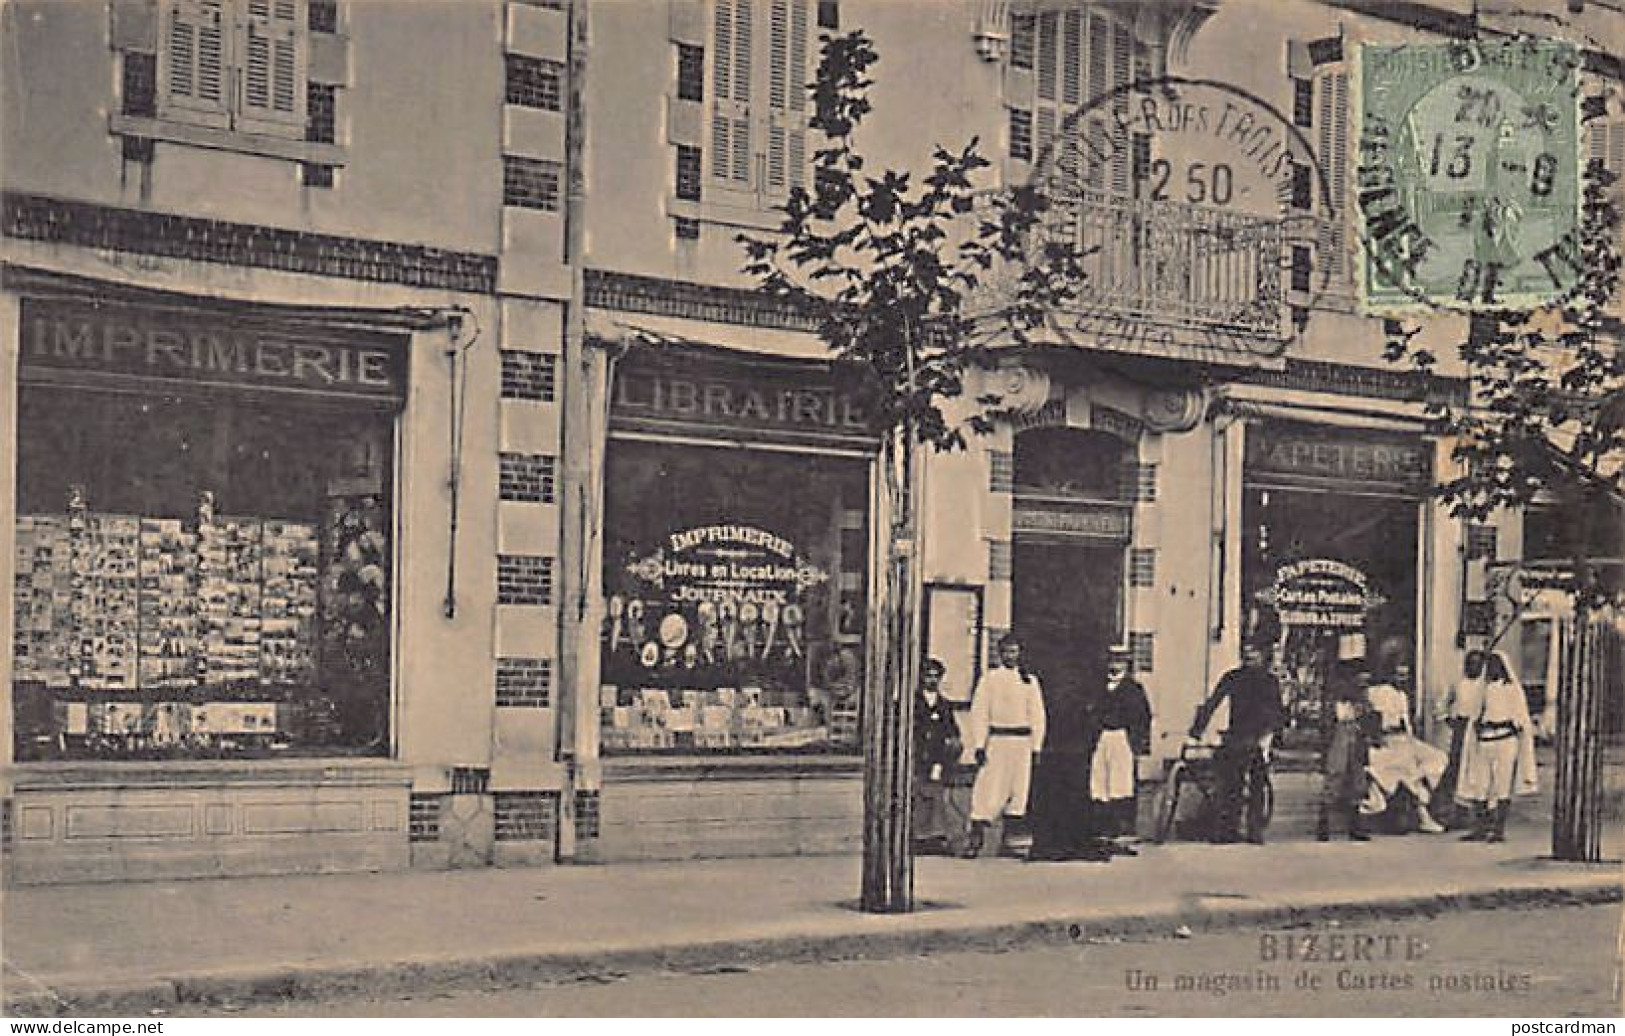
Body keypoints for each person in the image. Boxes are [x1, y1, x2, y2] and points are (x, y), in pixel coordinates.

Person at [1188, 642, 1284, 844]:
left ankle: (1252, 830)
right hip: (1238, 735)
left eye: (1254, 655)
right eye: (1247, 656)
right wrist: (1196, 731)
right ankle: (1232, 829)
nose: (1250, 660)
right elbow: (1213, 702)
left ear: (1262, 657)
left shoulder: (1268, 681)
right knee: (1233, 783)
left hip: (1259, 736)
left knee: (1253, 784)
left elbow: (1277, 711)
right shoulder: (1235, 677)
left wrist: (1272, 736)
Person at [963, 633, 1047, 859]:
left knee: (1018, 790)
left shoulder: (1029, 680)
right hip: (998, 741)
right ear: (1000, 654)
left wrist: (1036, 746)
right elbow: (979, 712)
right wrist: (979, 744)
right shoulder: (989, 679)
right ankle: (976, 837)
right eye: (1007, 651)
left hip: (1021, 743)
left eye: (1015, 651)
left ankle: (1010, 842)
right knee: (989, 788)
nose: (1011, 655)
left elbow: (1037, 715)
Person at [1457, 650, 1539, 843]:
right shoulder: (1482, 689)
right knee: (1480, 784)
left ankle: (1498, 829)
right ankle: (1480, 827)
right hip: (1484, 742)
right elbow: (1474, 715)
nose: (1492, 669)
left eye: (1495, 665)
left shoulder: (1511, 690)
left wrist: (1506, 724)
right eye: (1489, 665)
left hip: (1505, 741)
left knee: (1502, 785)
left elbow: (1520, 719)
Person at [1364, 662, 1449, 833]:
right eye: (1399, 674)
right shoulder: (1378, 692)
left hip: (1405, 740)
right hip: (1386, 742)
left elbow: (1406, 723)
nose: (1402, 678)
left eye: (1405, 675)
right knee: (1403, 769)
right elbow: (1374, 720)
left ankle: (1425, 808)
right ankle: (1421, 815)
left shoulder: (1402, 695)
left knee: (1437, 758)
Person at [1091, 646, 1152, 856]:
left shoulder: (1133, 689)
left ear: (1126, 664)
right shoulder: (1098, 687)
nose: (1114, 665)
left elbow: (1144, 717)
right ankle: (1101, 833)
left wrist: (1138, 744)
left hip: (1122, 738)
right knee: (1099, 783)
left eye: (1119, 661)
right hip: (1101, 738)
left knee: (1120, 783)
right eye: (1111, 660)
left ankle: (1118, 833)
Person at [1317, 660, 1376, 841]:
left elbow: (1369, 719)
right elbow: (1332, 721)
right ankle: (1324, 824)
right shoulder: (1339, 698)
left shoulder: (1364, 698)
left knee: (1357, 780)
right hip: (1340, 736)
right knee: (1336, 775)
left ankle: (1355, 826)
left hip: (1356, 737)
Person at [912, 658, 961, 855]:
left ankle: (935, 836)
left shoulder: (944, 705)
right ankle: (917, 836)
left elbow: (952, 731)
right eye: (928, 676)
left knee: (936, 796)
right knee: (918, 796)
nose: (932, 680)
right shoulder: (912, 703)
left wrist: (950, 750)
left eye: (935, 676)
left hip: (937, 758)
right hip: (916, 756)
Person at [1434, 650, 1489, 829]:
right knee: (1456, 770)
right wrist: (1447, 719)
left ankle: (1480, 815)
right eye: (1471, 663)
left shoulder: (1485, 686)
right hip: (1461, 729)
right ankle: (1454, 813)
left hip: (1479, 731)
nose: (1474, 667)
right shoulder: (1458, 684)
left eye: (1478, 664)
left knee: (1477, 771)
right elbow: (1442, 703)